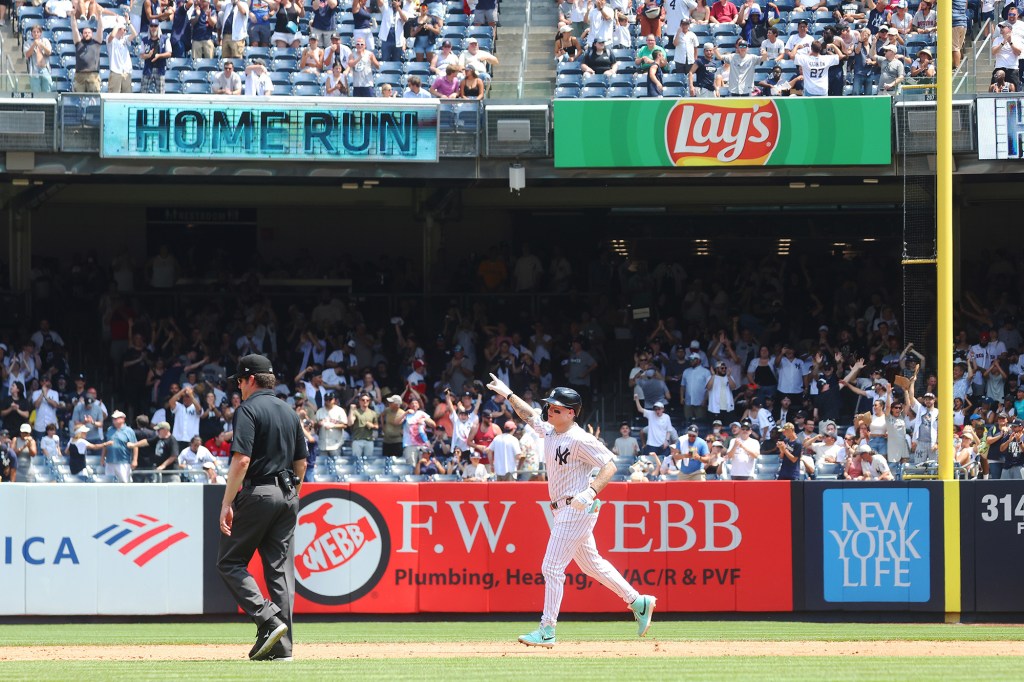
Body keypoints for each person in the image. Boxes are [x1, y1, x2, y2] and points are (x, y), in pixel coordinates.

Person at [486, 375, 656, 647]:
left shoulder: (580, 438)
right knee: (592, 565)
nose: (549, 410)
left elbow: (610, 465)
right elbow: (528, 413)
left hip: (577, 506)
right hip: (563, 508)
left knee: (551, 567)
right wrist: (507, 393)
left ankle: (547, 630)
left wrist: (590, 491)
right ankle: (638, 601)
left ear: (570, 412)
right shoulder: (552, 431)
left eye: (555, 408)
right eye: (550, 407)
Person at [217, 354, 308, 662]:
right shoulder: (289, 411)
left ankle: (268, 619)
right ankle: (283, 649)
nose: (238, 388)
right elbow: (302, 462)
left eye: (239, 381)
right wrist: (293, 495)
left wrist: (227, 502)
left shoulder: (248, 409)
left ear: (250, 380)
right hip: (288, 493)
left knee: (229, 561)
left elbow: (242, 460)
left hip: (260, 491)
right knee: (281, 572)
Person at [101, 410, 136, 483]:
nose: (114, 420)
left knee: (124, 482)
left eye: (116, 418)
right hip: (109, 461)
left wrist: (134, 460)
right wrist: (102, 458)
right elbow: (105, 445)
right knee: (109, 481)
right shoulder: (109, 429)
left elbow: (135, 446)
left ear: (123, 419)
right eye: (113, 418)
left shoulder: (129, 431)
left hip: (123, 462)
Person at [107, 15, 139, 94]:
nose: (125, 32)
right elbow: (112, 35)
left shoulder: (125, 39)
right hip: (115, 71)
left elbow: (134, 34)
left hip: (126, 71)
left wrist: (128, 22)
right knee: (114, 95)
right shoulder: (111, 39)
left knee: (127, 95)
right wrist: (118, 24)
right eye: (124, 30)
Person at [140, 19, 172, 93]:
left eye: (155, 26)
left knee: (161, 92)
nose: (153, 28)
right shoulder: (144, 40)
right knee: (143, 92)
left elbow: (169, 53)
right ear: (149, 27)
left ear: (158, 27)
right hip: (148, 68)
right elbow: (141, 55)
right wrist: (148, 55)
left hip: (160, 68)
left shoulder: (165, 39)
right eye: (152, 26)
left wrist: (159, 56)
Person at [24, 25, 54, 93]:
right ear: (31, 33)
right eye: (34, 32)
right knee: (36, 92)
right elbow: (27, 54)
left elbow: (49, 52)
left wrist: (41, 45)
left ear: (40, 33)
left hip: (45, 69)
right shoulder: (27, 43)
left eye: (37, 32)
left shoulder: (45, 41)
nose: (36, 33)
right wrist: (34, 44)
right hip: (34, 70)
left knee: (47, 90)